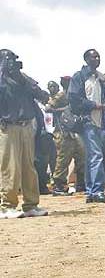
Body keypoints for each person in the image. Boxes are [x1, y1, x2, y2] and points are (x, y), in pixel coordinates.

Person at [0, 49, 50, 218]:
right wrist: (3, 72)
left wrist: (21, 78)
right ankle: (7, 206)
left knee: (29, 167)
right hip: (8, 127)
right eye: (9, 60)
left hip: (26, 126)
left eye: (15, 60)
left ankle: (31, 205)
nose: (13, 63)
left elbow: (43, 95)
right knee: (10, 168)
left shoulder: (23, 79)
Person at [68, 49, 105, 203]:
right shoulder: (79, 77)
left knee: (91, 156)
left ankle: (92, 191)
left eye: (99, 56)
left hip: (98, 121)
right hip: (87, 120)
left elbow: (104, 97)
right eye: (94, 56)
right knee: (96, 155)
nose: (97, 59)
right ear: (86, 59)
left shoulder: (99, 77)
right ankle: (97, 190)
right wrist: (96, 105)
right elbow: (74, 99)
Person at [47, 76, 85, 195]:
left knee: (81, 156)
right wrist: (65, 109)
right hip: (62, 131)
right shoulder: (61, 95)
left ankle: (81, 184)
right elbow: (48, 108)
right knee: (63, 159)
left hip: (74, 132)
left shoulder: (74, 94)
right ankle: (59, 185)